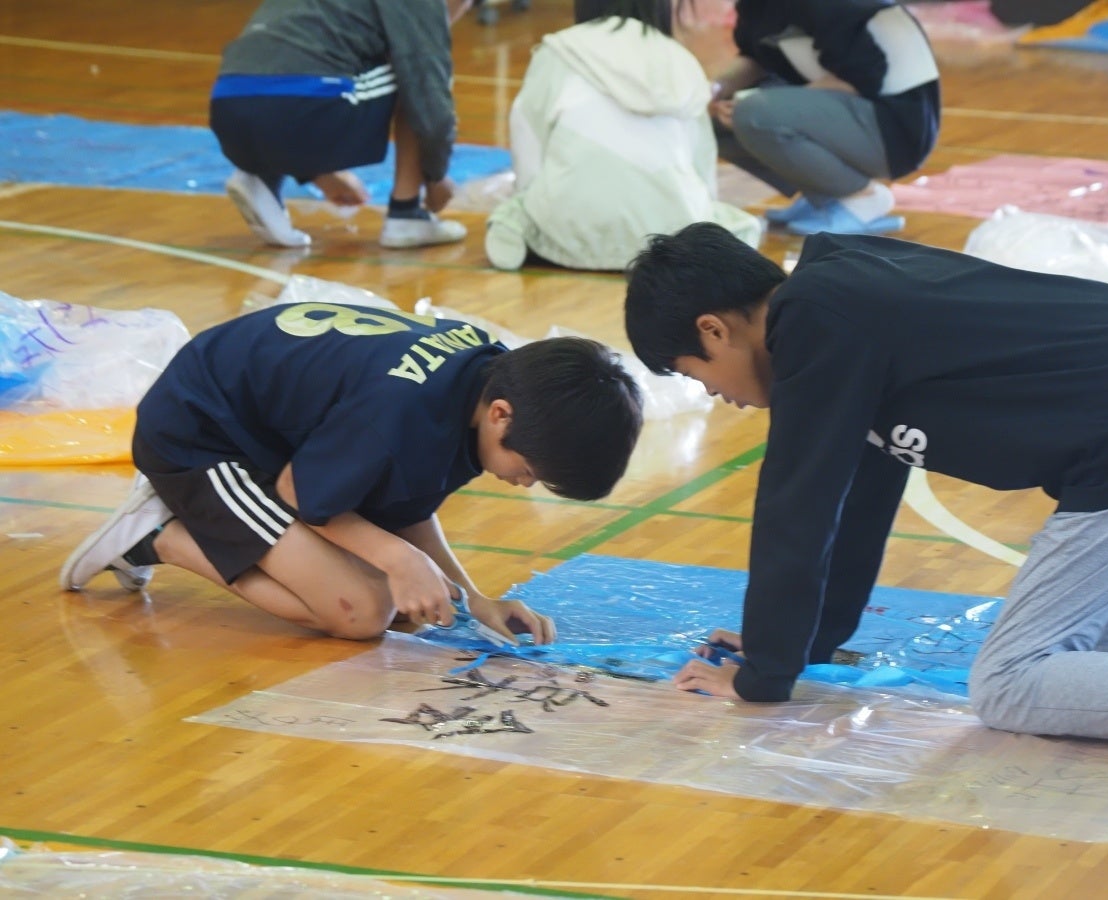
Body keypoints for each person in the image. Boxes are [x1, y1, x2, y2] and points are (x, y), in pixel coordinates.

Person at [624, 221, 1108, 743]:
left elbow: (795, 508)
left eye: (690, 372)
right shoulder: (839, 306)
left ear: (714, 330)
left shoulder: (813, 319)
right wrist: (801, 645)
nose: (711, 393)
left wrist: (763, 678)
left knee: (1010, 685)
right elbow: (859, 504)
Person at [61, 302, 643, 646]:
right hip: (199, 437)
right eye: (532, 470)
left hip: (276, 440)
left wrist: (472, 599)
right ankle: (156, 536)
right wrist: (398, 560)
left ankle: (190, 526)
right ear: (501, 416)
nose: (526, 483)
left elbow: (409, 502)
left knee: (410, 601)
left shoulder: (485, 381)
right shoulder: (397, 416)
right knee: (361, 611)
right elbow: (300, 491)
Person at [483, 0, 762, 272]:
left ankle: (515, 229)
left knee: (520, 209)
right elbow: (701, 160)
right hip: (669, 237)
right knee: (720, 219)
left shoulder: (560, 50)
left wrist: (527, 202)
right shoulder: (679, 59)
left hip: (566, 232)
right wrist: (703, 211)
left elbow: (528, 138)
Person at [209, 0, 473, 250]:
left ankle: (263, 174)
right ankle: (406, 213)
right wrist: (435, 174)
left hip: (227, 114)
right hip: (300, 109)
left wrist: (319, 173)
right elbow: (426, 92)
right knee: (419, 71)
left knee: (304, 73)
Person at [710, 0, 940, 236]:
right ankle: (826, 197)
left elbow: (859, 78)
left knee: (754, 114)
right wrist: (716, 88)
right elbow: (756, 56)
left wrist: (755, 101)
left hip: (896, 128)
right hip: (848, 107)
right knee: (712, 120)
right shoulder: (755, 6)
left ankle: (863, 198)